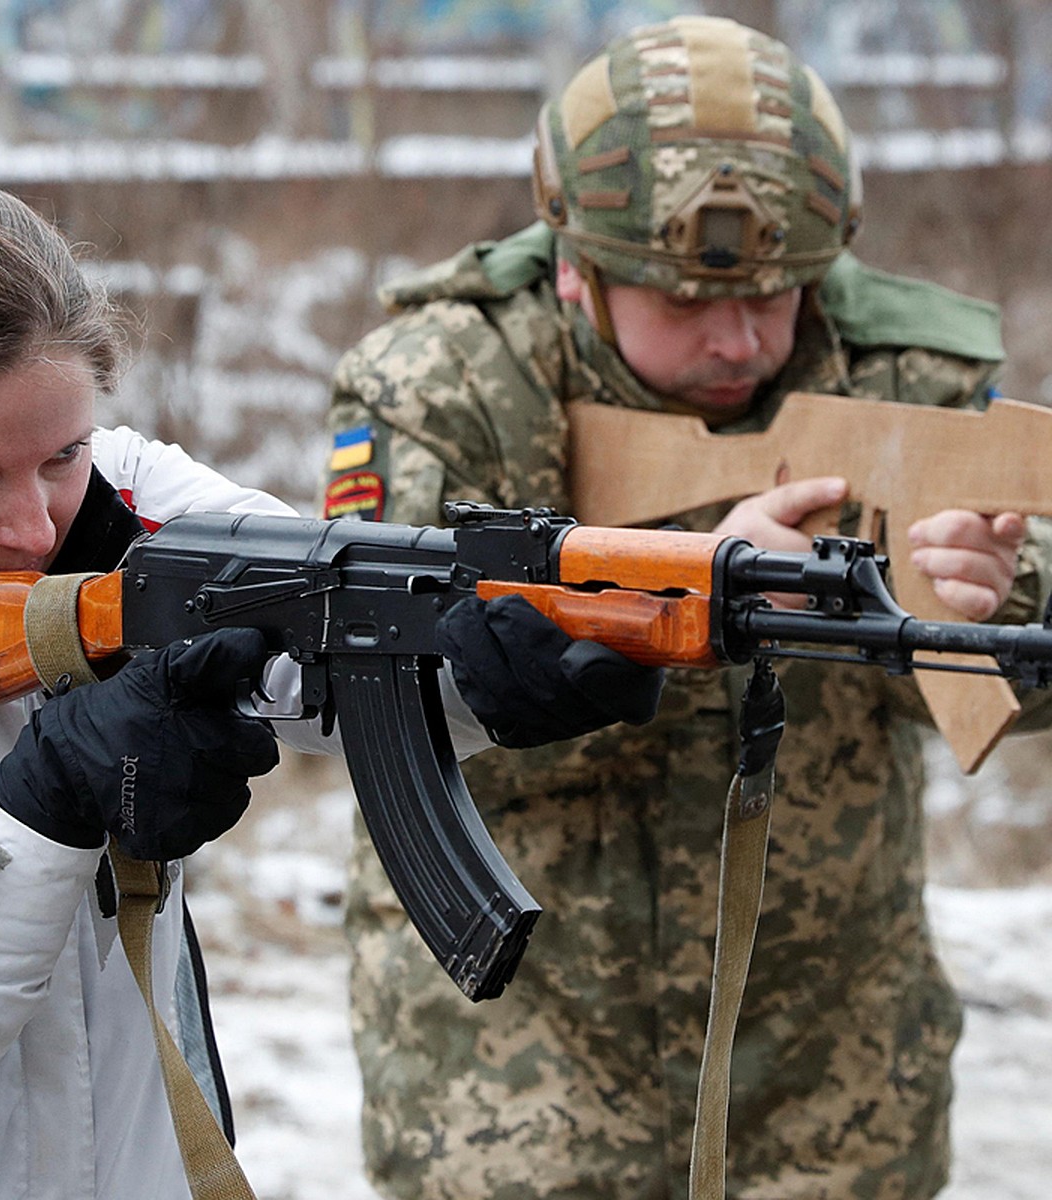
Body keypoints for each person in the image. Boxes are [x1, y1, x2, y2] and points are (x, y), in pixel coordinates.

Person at [324, 15, 1052, 1200]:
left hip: (830, 1078)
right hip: (515, 1074)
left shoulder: (903, 371)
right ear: (576, 268)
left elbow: (1014, 681)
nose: (742, 338)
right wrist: (683, 587)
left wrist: (991, 595)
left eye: (777, 297)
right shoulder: (445, 381)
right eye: (686, 300)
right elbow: (385, 689)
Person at [0, 175, 663, 1199]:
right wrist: (43, 806)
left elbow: (316, 629)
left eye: (62, 453)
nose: (34, 525)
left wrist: (482, 672)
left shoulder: (125, 501)